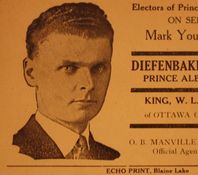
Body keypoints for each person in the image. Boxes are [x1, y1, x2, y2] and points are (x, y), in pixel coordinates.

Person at [12, 2, 120, 160]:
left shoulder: (112, 159)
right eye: (70, 68)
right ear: (31, 73)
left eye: (99, 68)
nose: (89, 84)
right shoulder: (13, 153)